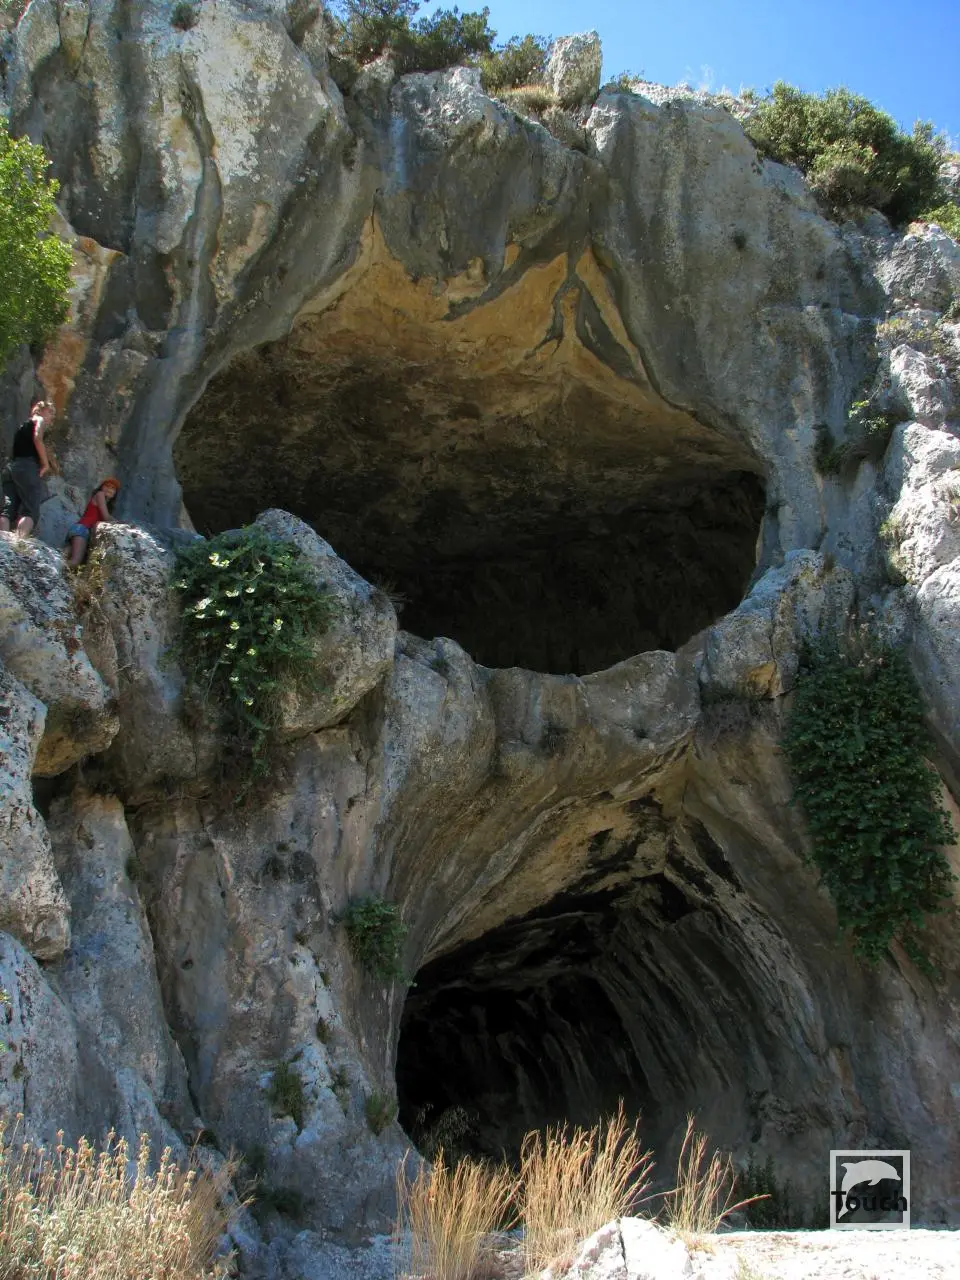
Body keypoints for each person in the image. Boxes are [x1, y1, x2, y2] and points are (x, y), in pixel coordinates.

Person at [0, 399, 55, 537]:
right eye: (50, 412)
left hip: (12, 467)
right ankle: (20, 542)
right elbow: (37, 438)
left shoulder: (23, 426)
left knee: (8, 509)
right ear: (40, 410)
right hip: (27, 467)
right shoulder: (39, 420)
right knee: (30, 510)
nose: (52, 416)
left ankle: (3, 540)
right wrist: (45, 464)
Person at [65, 477, 120, 566]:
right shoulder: (100, 495)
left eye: (113, 488)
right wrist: (122, 524)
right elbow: (106, 517)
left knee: (65, 558)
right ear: (101, 487)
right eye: (107, 486)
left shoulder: (106, 504)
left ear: (115, 493)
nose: (109, 489)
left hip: (80, 530)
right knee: (75, 562)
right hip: (82, 530)